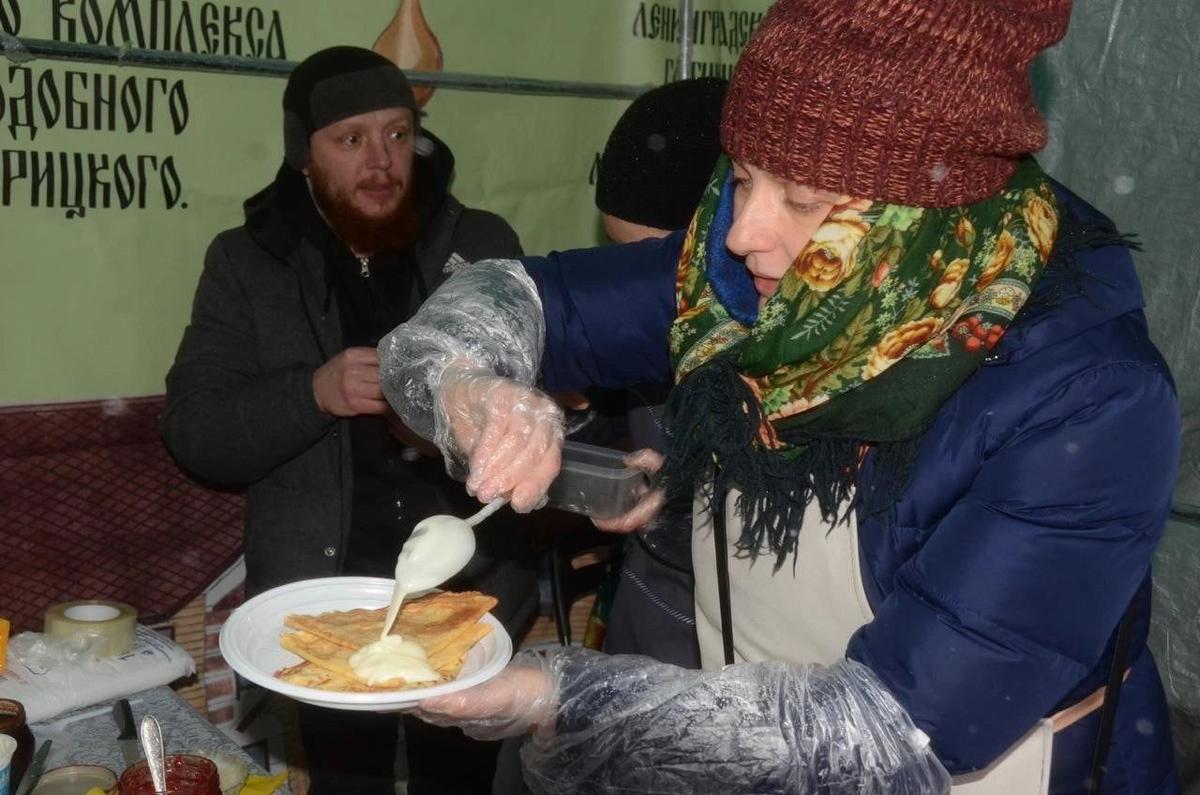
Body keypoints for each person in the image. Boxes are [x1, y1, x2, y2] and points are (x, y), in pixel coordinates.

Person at [380, 2, 1181, 793]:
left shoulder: (1088, 397)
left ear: (926, 212)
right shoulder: (738, 286)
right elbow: (518, 299)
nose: (741, 233)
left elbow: (892, 727)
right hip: (751, 744)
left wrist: (560, 698)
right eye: (743, 178)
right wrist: (466, 385)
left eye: (805, 200)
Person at [162, 46, 536, 795]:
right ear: (304, 155)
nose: (382, 162)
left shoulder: (478, 245)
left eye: (399, 134)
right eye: (351, 139)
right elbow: (195, 430)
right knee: (345, 784)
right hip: (319, 595)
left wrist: (467, 407)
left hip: (465, 588)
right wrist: (312, 393)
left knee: (462, 778)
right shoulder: (247, 263)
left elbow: (528, 389)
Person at [587, 76, 728, 668]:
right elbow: (623, 438)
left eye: (657, 259)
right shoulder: (645, 319)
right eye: (622, 254)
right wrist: (571, 420)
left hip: (730, 653)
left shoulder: (805, 352)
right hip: (645, 620)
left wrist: (683, 499)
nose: (639, 284)